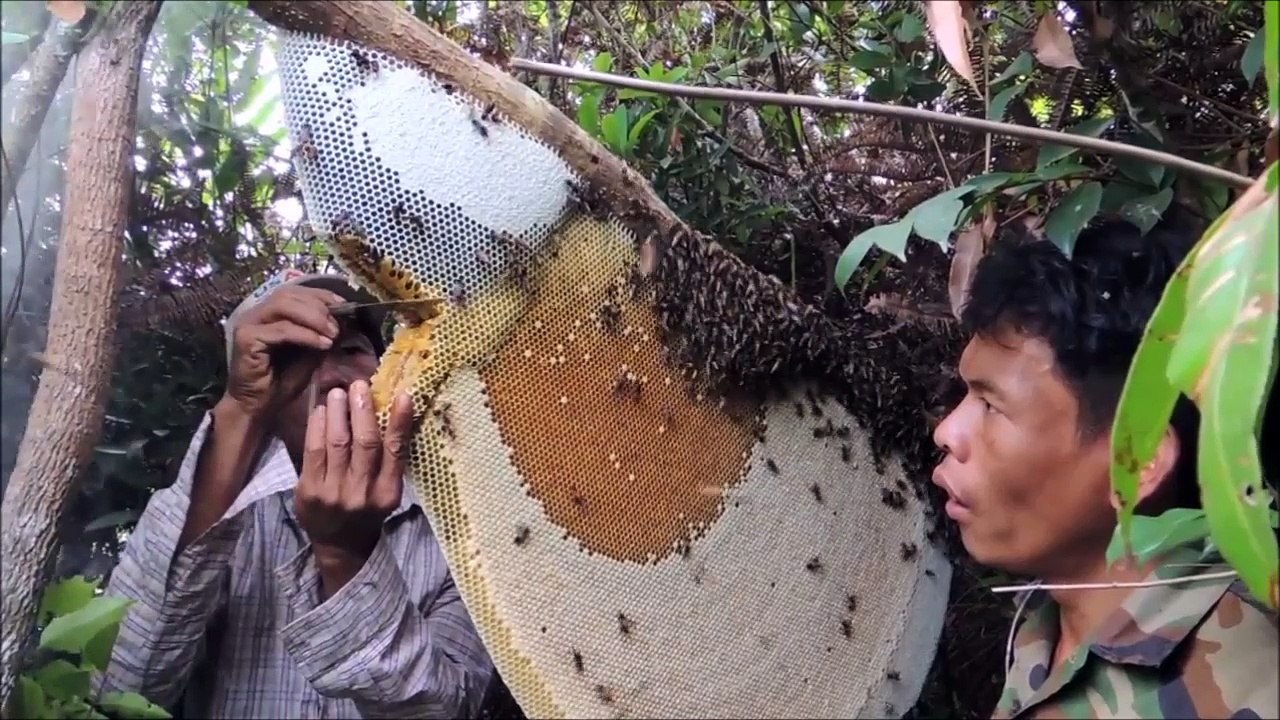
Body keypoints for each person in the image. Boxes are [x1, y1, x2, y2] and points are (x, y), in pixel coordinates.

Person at [96, 269, 495, 718]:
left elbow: (445, 710)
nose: (329, 377)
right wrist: (242, 408)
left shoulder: (457, 532)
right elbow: (121, 689)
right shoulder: (219, 515)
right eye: (295, 358)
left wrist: (347, 558)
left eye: (350, 350)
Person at [931, 215, 1279, 719]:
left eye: (992, 406)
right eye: (968, 393)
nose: (947, 431)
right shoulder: (1052, 612)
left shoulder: (1245, 686)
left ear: (1136, 461)